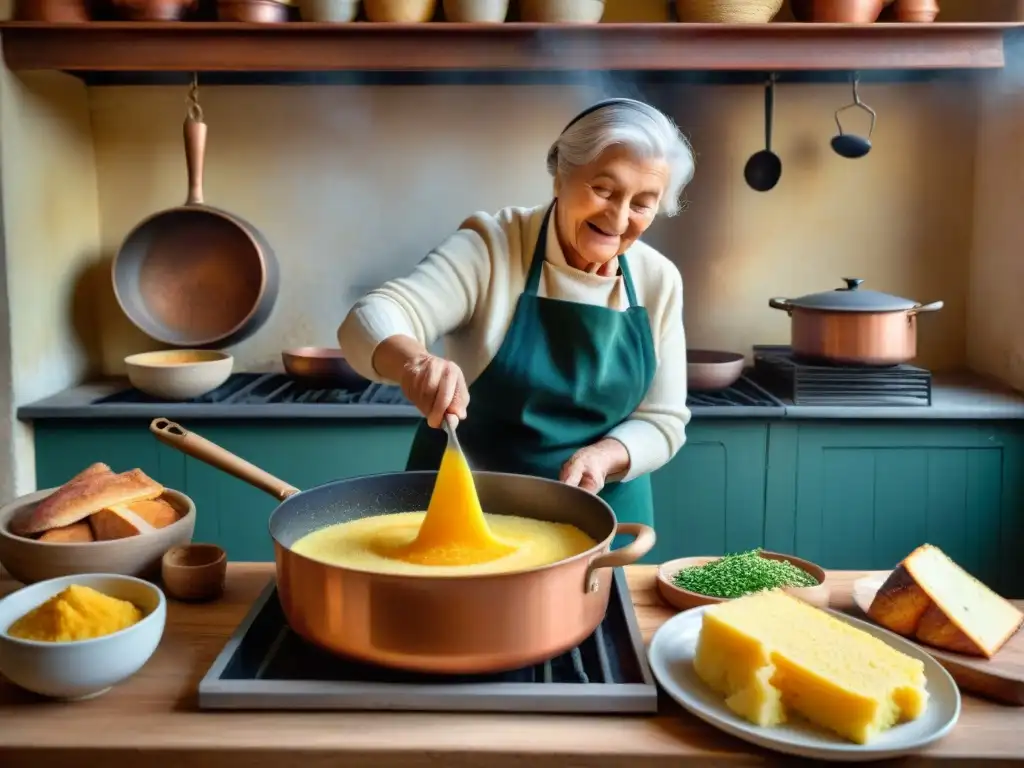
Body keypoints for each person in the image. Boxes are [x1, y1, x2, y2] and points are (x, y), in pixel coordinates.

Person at [338, 98, 694, 531]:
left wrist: (605, 456)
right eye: (604, 189)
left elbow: (664, 420)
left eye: (642, 203)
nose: (618, 218)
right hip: (467, 517)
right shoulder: (491, 248)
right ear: (561, 175)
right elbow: (371, 317)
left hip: (601, 526)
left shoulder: (658, 280)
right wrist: (416, 362)